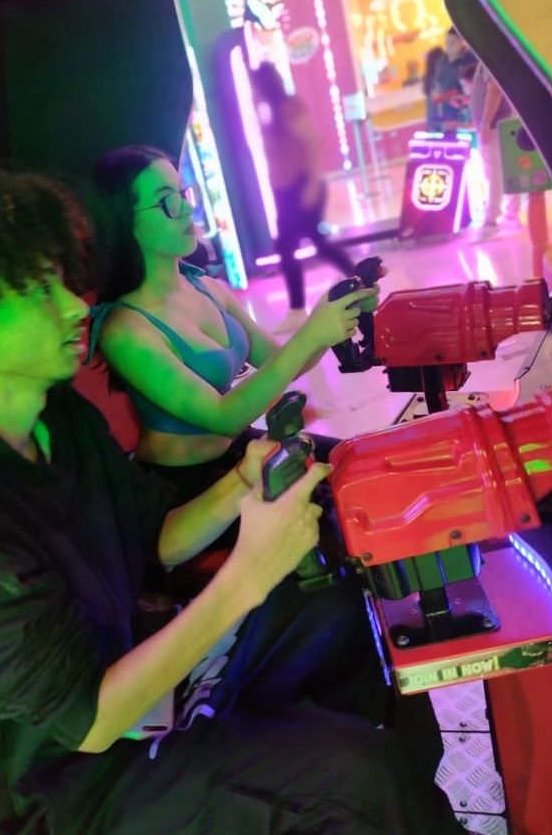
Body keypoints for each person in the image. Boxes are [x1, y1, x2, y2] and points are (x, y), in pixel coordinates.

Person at [0, 168, 527, 835]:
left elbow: (154, 539)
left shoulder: (54, 414)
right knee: (353, 778)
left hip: (138, 682)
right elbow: (92, 721)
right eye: (39, 291)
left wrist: (244, 481)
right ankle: (380, 820)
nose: (74, 305)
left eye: (62, 281)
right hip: (69, 788)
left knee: (336, 613)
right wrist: (247, 575)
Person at [88, 143, 375, 549]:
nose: (187, 209)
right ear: (124, 221)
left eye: (182, 194)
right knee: (331, 527)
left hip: (241, 452)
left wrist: (336, 316)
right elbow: (223, 416)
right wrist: (312, 333)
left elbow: (282, 362)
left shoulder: (205, 286)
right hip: (189, 488)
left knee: (360, 467)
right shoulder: (125, 329)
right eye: (166, 202)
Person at [250, 63, 356, 332]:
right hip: (286, 191)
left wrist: (311, 184)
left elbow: (313, 143)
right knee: (312, 244)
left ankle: (299, 309)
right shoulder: (271, 113)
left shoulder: (289, 108)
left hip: (300, 187)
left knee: (290, 248)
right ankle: (358, 278)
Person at [463, 60, 520, 235]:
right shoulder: (484, 62)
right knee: (506, 170)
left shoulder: (488, 61)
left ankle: (492, 219)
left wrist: (486, 122)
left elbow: (495, 90)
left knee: (494, 172)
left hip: (495, 125)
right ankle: (511, 213)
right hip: (496, 124)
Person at [432, 28, 477, 133]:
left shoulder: (471, 59)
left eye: (452, 43)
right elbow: (436, 84)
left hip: (467, 114)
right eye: (447, 43)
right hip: (446, 114)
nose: (448, 46)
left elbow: (478, 87)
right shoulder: (441, 61)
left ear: (462, 42)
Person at [423, 45, 445, 131]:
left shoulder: (430, 79)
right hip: (442, 125)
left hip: (434, 125)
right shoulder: (437, 80)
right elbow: (440, 103)